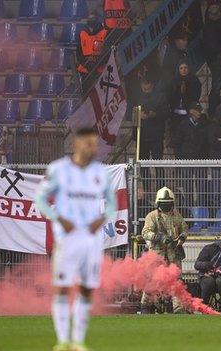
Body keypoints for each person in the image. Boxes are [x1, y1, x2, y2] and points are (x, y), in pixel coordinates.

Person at [35, 127, 118, 351]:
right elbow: (40, 200)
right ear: (75, 143)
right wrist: (58, 218)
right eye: (88, 143)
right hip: (67, 240)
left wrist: (102, 219)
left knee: (86, 289)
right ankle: (62, 341)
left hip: (91, 241)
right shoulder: (58, 169)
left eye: (95, 144)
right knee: (62, 288)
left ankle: (78, 341)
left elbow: (112, 204)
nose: (93, 148)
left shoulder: (101, 173)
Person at [140, 186, 188, 313]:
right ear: (158, 203)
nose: (167, 206)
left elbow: (184, 229)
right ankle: (146, 306)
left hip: (173, 255)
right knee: (152, 281)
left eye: (169, 204)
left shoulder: (177, 216)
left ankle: (178, 309)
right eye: (164, 204)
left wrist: (181, 238)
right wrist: (158, 237)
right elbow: (145, 232)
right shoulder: (152, 216)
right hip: (157, 255)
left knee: (176, 281)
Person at [136, 77, 169, 160]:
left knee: (158, 161)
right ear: (141, 86)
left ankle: (159, 173)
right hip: (142, 134)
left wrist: (155, 114)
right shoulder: (136, 97)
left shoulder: (161, 97)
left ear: (152, 86)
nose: (146, 91)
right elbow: (129, 113)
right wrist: (138, 115)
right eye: (144, 89)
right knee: (142, 163)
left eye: (149, 89)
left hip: (156, 134)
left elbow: (166, 113)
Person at [167, 60, 201, 136]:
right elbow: (170, 97)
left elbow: (195, 97)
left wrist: (185, 92)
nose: (183, 70)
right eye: (181, 68)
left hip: (189, 113)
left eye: (185, 68)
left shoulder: (195, 81)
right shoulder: (174, 81)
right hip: (175, 114)